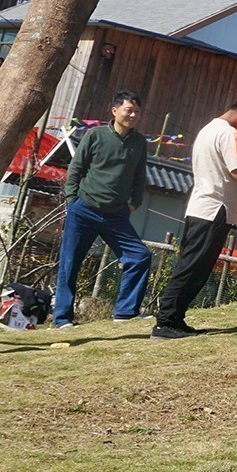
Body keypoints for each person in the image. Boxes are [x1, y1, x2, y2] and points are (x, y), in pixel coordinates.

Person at [53, 90, 154, 328]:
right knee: (70, 263)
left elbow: (140, 176)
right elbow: (76, 168)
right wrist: (72, 200)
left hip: (117, 213)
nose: (133, 115)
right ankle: (62, 319)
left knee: (140, 257)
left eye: (137, 111)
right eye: (129, 110)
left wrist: (134, 203)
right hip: (84, 208)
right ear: (115, 111)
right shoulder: (95, 135)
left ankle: (125, 313)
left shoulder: (139, 142)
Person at [152, 98, 237, 339]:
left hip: (202, 205)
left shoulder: (208, 129)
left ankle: (174, 318)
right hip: (215, 208)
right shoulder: (227, 134)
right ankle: (165, 321)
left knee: (193, 265)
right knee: (192, 267)